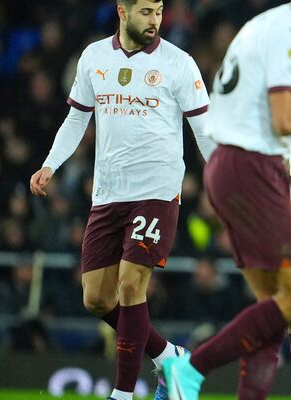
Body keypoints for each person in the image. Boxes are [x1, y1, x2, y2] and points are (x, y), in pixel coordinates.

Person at [162, 1, 291, 400]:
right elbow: (285, 120)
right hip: (250, 167)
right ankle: (190, 368)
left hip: (233, 166)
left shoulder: (264, 25)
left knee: (273, 311)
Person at [28, 1, 217, 400]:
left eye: (159, 11)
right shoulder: (94, 57)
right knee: (97, 298)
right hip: (109, 192)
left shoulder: (179, 63)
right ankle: (169, 356)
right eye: (146, 11)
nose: (155, 20)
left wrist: (222, 180)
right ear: (122, 11)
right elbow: (77, 117)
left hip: (157, 190)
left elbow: (204, 130)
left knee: (132, 285)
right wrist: (50, 164)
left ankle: (123, 393)